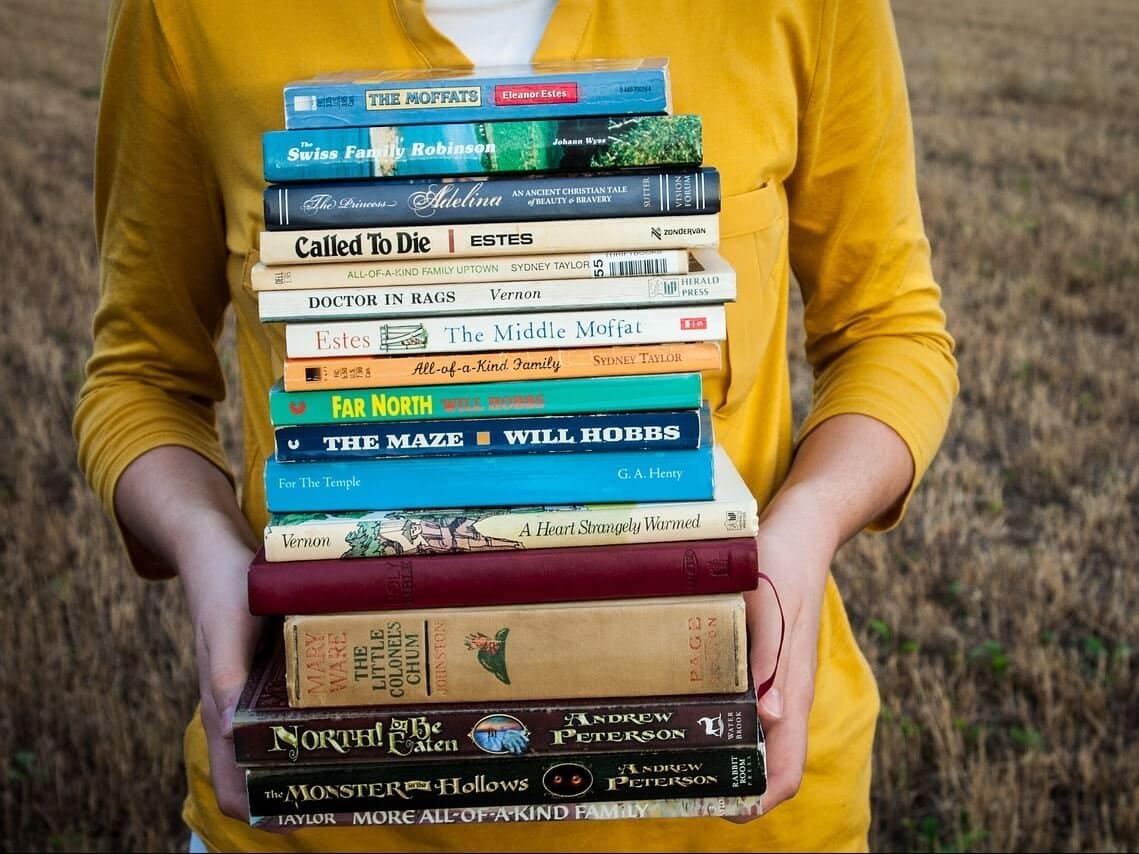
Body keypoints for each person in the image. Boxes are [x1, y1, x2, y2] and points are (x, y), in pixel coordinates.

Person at [73, 0, 959, 851]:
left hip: (731, 788)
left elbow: (888, 333)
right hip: (327, 795)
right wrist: (206, 545)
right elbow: (141, 376)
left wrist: (803, 530)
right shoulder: (184, 11)